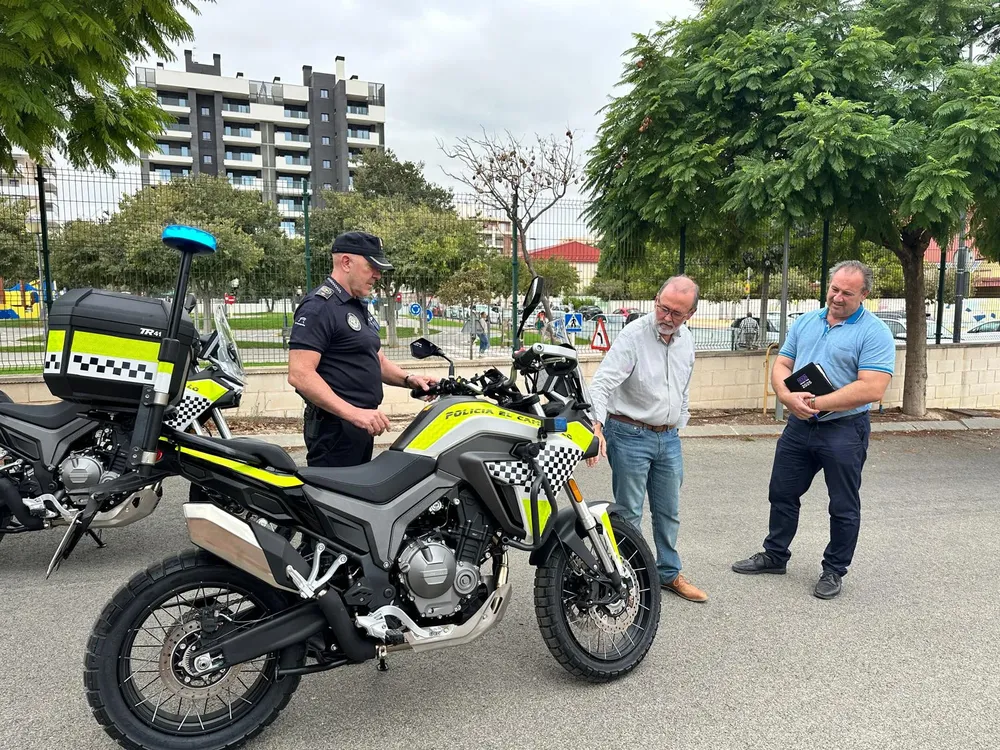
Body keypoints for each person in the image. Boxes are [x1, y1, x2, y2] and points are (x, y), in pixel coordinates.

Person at [732, 260, 895, 600]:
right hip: (799, 426)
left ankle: (834, 570)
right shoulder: (807, 321)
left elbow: (872, 388)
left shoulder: (875, 332)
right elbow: (783, 363)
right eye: (834, 288)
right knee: (782, 493)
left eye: (847, 293)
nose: (837, 297)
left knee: (843, 505)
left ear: (864, 294)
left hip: (844, 430)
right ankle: (775, 555)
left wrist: (817, 404)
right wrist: (786, 396)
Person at [586, 275, 707, 603]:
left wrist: (678, 424)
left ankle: (668, 573)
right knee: (629, 512)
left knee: (669, 510)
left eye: (676, 314)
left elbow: (682, 388)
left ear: (690, 315)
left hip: (668, 438)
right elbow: (601, 383)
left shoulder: (687, 341)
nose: (666, 318)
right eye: (663, 308)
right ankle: (627, 578)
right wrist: (596, 426)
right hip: (629, 433)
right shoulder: (634, 335)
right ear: (656, 301)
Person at [287, 231, 437, 467]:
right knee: (336, 500)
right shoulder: (319, 306)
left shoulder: (356, 306)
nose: (377, 275)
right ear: (346, 262)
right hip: (335, 428)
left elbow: (375, 360)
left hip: (359, 425)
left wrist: (410, 379)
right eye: (371, 266)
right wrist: (354, 413)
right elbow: (300, 374)